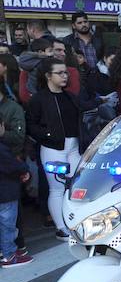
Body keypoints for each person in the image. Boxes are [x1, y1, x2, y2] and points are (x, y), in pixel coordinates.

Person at [26, 58, 84, 241]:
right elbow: (30, 125)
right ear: (48, 76)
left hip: (74, 147)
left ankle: (75, 222)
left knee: (77, 186)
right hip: (53, 148)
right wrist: (49, 135)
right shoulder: (39, 99)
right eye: (60, 72)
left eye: (65, 72)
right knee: (57, 188)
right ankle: (61, 227)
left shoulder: (69, 96)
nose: (65, 75)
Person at [0, 140, 31, 268]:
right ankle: (9, 255)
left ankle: (5, 252)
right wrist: (24, 169)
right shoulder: (2, 148)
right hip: (6, 193)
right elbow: (13, 166)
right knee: (8, 226)